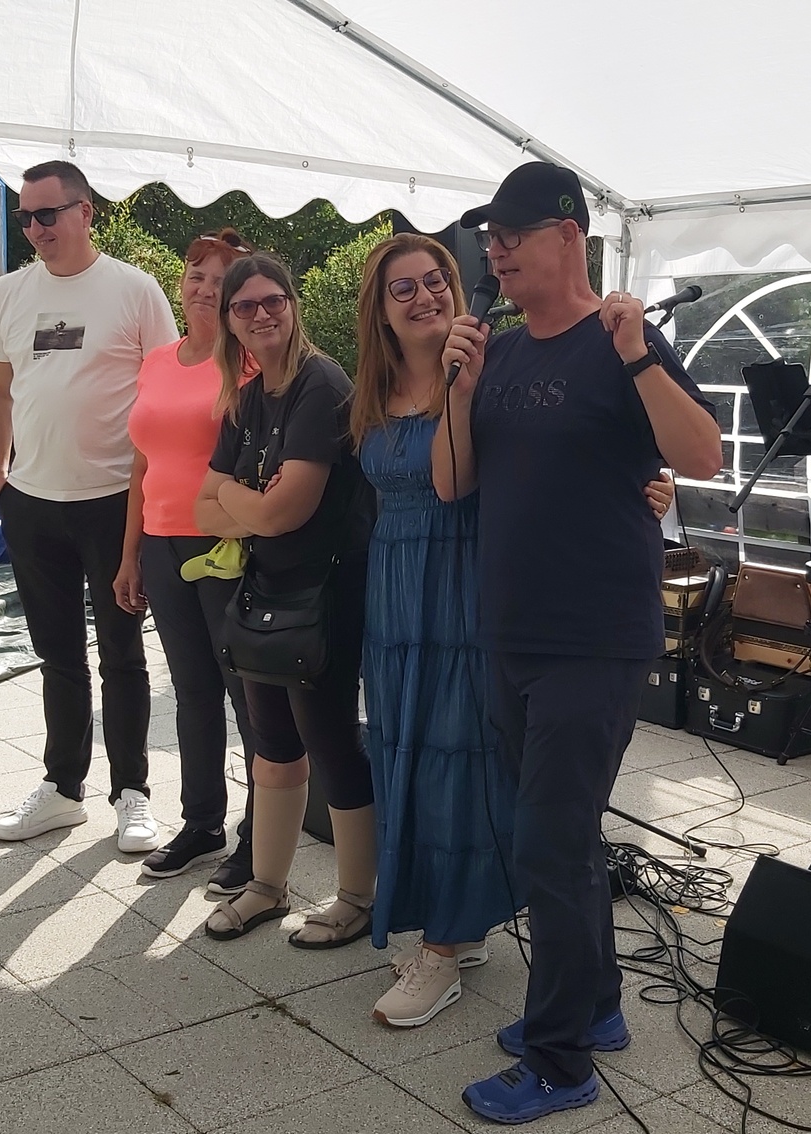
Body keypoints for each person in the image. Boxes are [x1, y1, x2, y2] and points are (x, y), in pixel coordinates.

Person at [432, 161, 722, 1125]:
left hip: (595, 637)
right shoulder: (503, 351)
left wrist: (639, 357)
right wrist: (459, 391)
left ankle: (560, 1062)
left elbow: (701, 456)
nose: (495, 253)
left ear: (568, 237)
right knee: (562, 836)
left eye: (512, 235)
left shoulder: (621, 340)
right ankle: (595, 1005)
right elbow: (454, 483)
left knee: (550, 843)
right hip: (510, 629)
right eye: (490, 239)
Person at [352, 233, 675, 1031]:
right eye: (403, 288)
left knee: (466, 768)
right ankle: (447, 925)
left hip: (477, 584)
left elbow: (582, 444)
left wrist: (648, 483)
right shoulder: (370, 389)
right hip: (398, 596)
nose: (426, 296)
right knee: (408, 755)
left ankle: (446, 943)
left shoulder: (496, 365)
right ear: (379, 311)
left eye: (436, 279)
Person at [0, 160, 178, 853]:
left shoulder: (134, 290)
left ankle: (133, 793)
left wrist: (154, 499)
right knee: (56, 655)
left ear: (86, 212)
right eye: (25, 218)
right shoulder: (9, 292)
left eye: (48, 214)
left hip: (115, 501)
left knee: (122, 655)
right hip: (33, 501)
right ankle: (63, 789)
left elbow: (166, 397)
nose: (36, 229)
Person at [195, 253, 378, 947]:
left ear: (293, 305)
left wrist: (239, 500)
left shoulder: (319, 384)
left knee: (331, 743)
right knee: (271, 745)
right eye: (245, 306)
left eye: (273, 300)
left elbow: (283, 512)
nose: (262, 314)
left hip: (325, 594)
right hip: (268, 593)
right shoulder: (249, 396)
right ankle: (267, 888)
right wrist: (250, 503)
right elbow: (200, 508)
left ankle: (357, 897)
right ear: (229, 321)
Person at [112, 228, 264, 894]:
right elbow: (141, 464)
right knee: (192, 691)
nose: (204, 288)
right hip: (161, 543)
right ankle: (202, 823)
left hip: (223, 545)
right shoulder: (158, 361)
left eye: (219, 279)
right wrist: (130, 554)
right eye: (195, 275)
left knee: (248, 693)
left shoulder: (247, 365)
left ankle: (262, 833)